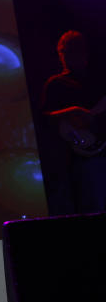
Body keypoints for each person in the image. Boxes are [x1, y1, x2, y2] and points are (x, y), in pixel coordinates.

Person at [41, 30, 106, 212]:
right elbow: (45, 119)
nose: (68, 56)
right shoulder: (56, 84)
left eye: (74, 50)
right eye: (65, 51)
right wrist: (74, 112)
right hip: (82, 158)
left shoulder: (97, 79)